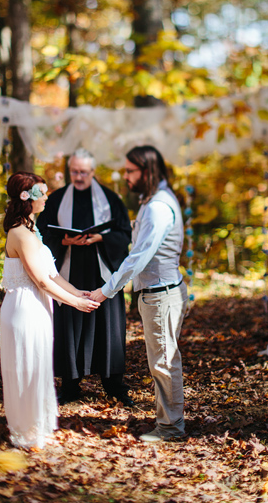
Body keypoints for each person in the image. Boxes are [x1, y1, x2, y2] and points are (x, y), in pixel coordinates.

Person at [90, 146, 186, 441]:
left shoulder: (158, 206)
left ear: (147, 171)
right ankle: (168, 422)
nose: (126, 175)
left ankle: (170, 429)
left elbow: (140, 256)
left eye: (131, 171)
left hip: (161, 294)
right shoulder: (152, 201)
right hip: (157, 292)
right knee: (163, 361)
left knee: (164, 362)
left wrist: (107, 290)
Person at [0, 172, 100, 449]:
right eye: (40, 193)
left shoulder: (33, 231)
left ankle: (36, 427)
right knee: (26, 367)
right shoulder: (19, 233)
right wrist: (75, 303)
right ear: (25, 198)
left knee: (39, 364)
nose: (46, 197)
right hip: (23, 308)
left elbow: (53, 275)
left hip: (39, 307)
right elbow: (40, 280)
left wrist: (78, 292)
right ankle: (24, 431)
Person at [37, 149, 134, 406]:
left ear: (92, 172)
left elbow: (125, 234)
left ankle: (114, 385)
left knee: (108, 327)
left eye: (83, 172)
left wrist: (102, 237)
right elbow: (43, 234)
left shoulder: (110, 200)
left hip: (102, 272)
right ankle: (70, 386)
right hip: (70, 271)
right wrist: (63, 240)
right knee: (69, 324)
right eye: (74, 172)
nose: (78, 177)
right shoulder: (57, 199)